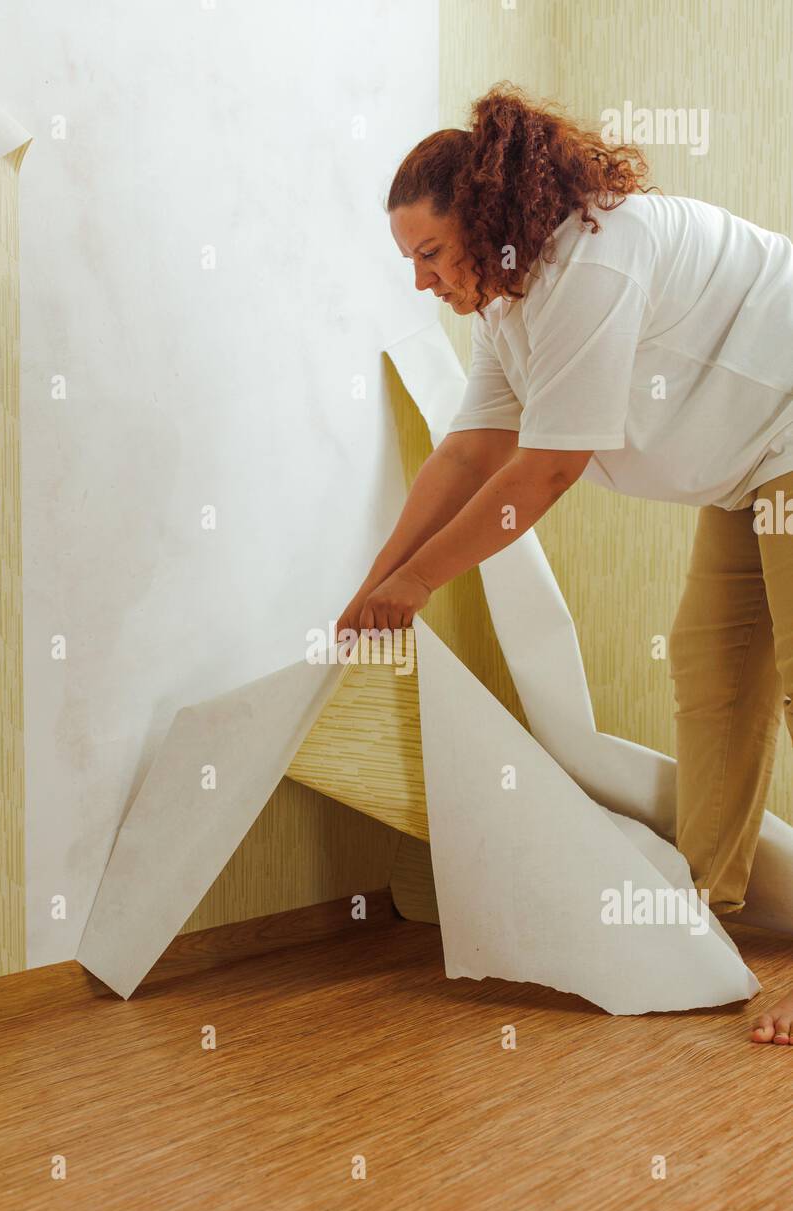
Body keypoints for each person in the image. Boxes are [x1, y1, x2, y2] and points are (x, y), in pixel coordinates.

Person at [336, 83, 793, 1045]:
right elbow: (470, 453)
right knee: (712, 675)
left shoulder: (594, 260)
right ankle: (701, 913)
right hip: (751, 464)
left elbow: (544, 472)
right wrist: (377, 582)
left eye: (428, 254)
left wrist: (418, 586)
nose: (421, 282)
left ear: (490, 218)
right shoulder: (508, 305)